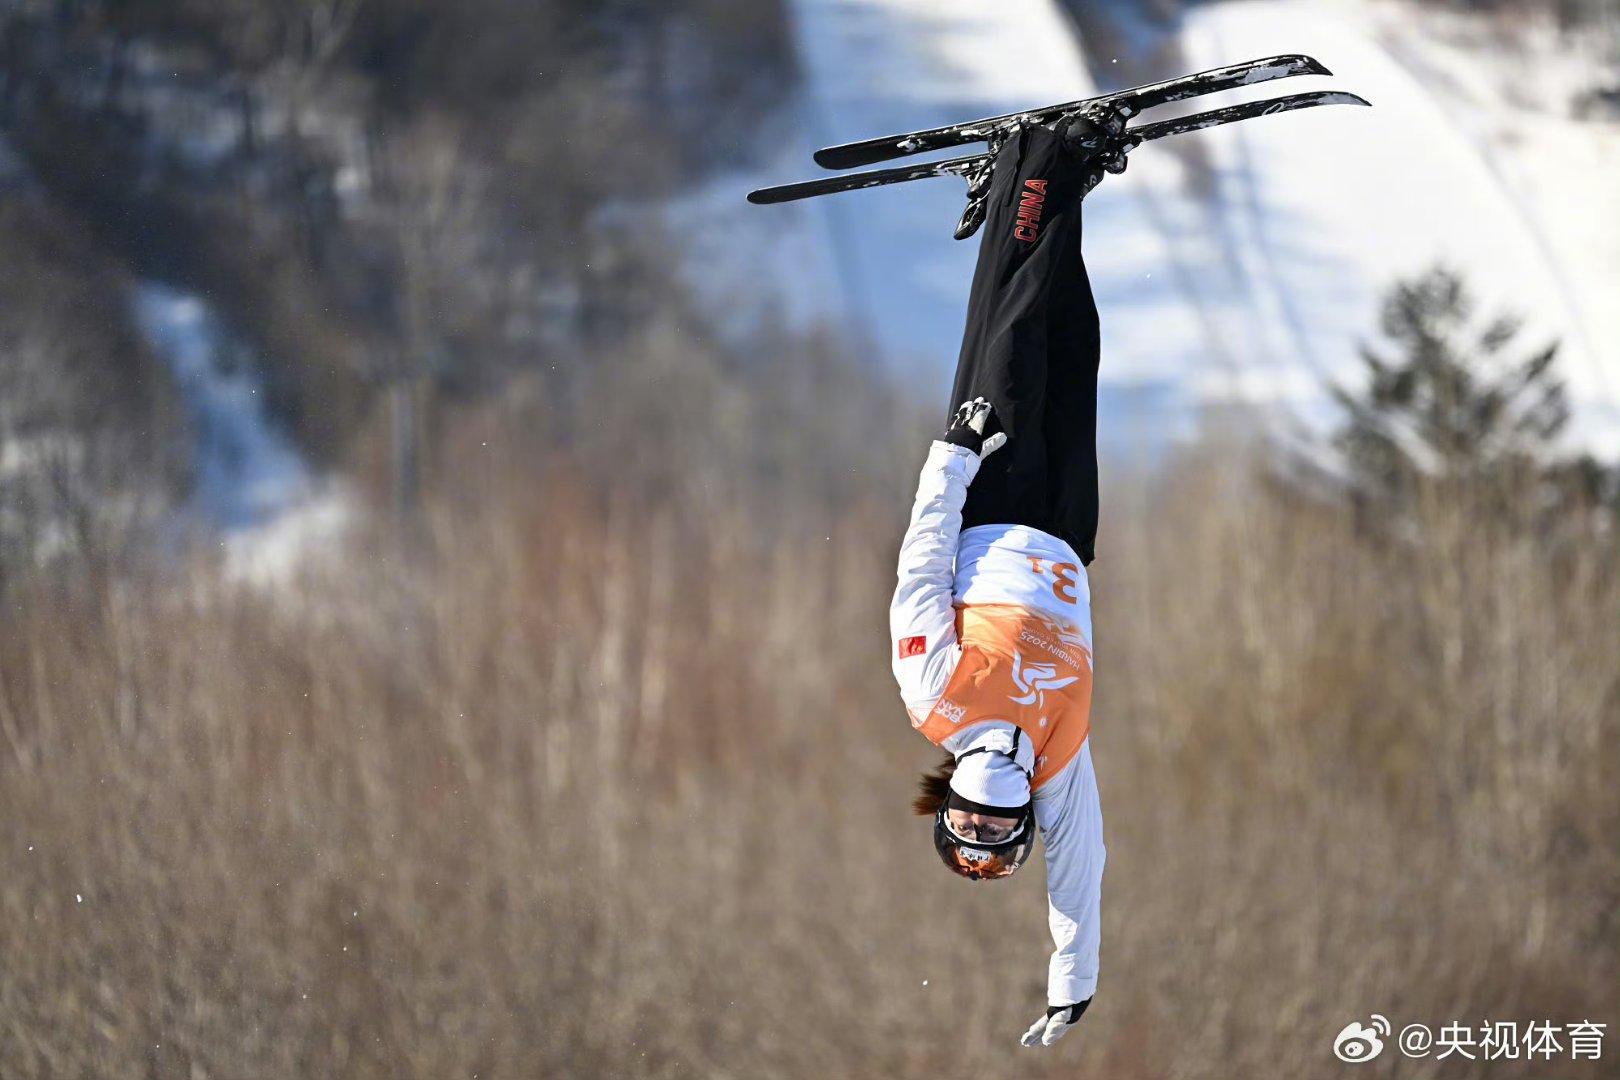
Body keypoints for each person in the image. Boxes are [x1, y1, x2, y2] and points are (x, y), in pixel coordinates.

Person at [889, 112, 1122, 1050]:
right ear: (1023, 819)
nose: (986, 820)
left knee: (1014, 331)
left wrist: (950, 458)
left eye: (969, 827)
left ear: (949, 803)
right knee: (1072, 339)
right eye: (999, 832)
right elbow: (1082, 868)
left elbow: (919, 566)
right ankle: (1059, 185)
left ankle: (1039, 157)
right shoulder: (1057, 758)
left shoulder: (935, 698)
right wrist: (1074, 980)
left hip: (990, 493)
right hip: (1067, 530)